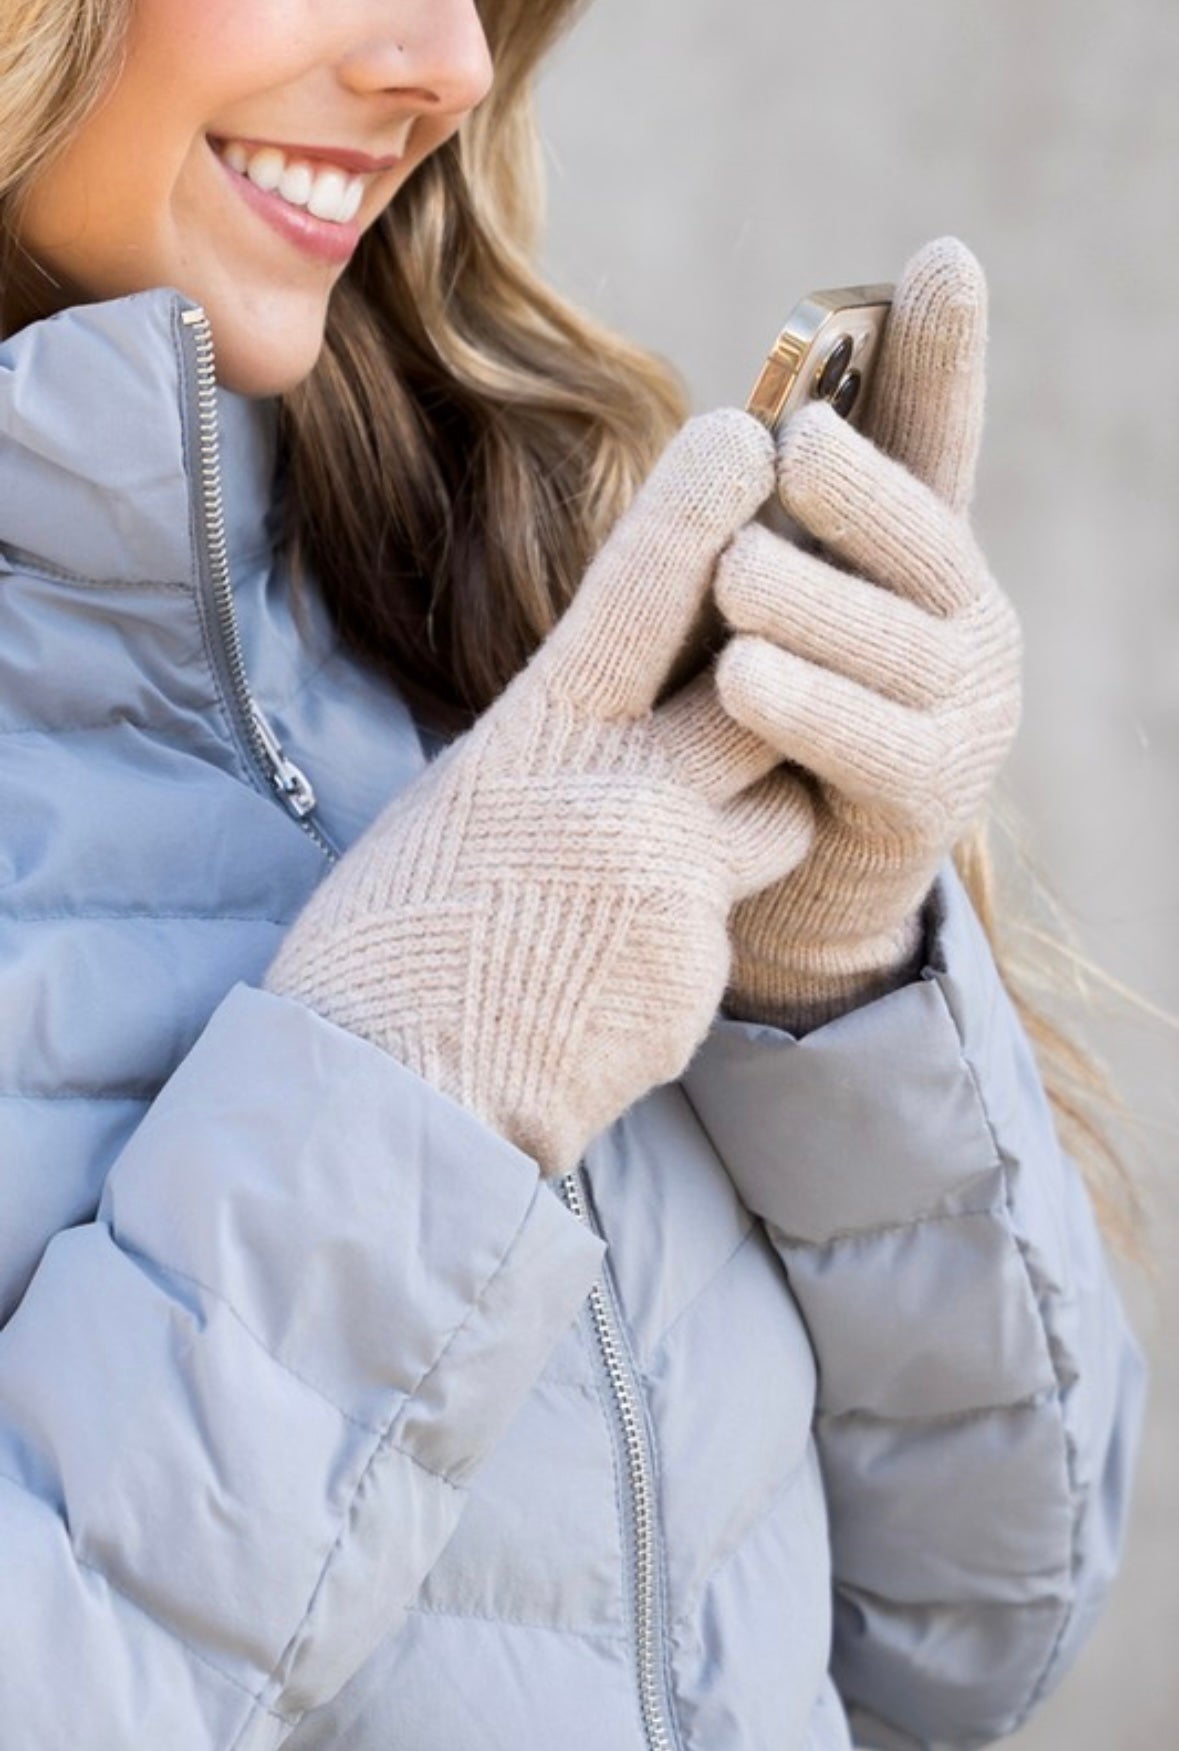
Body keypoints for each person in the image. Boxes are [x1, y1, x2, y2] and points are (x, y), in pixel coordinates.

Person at [0, 1, 1146, 1747]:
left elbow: (975, 1631)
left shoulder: (490, 573)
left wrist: (826, 986)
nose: (449, 62)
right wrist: (415, 1090)